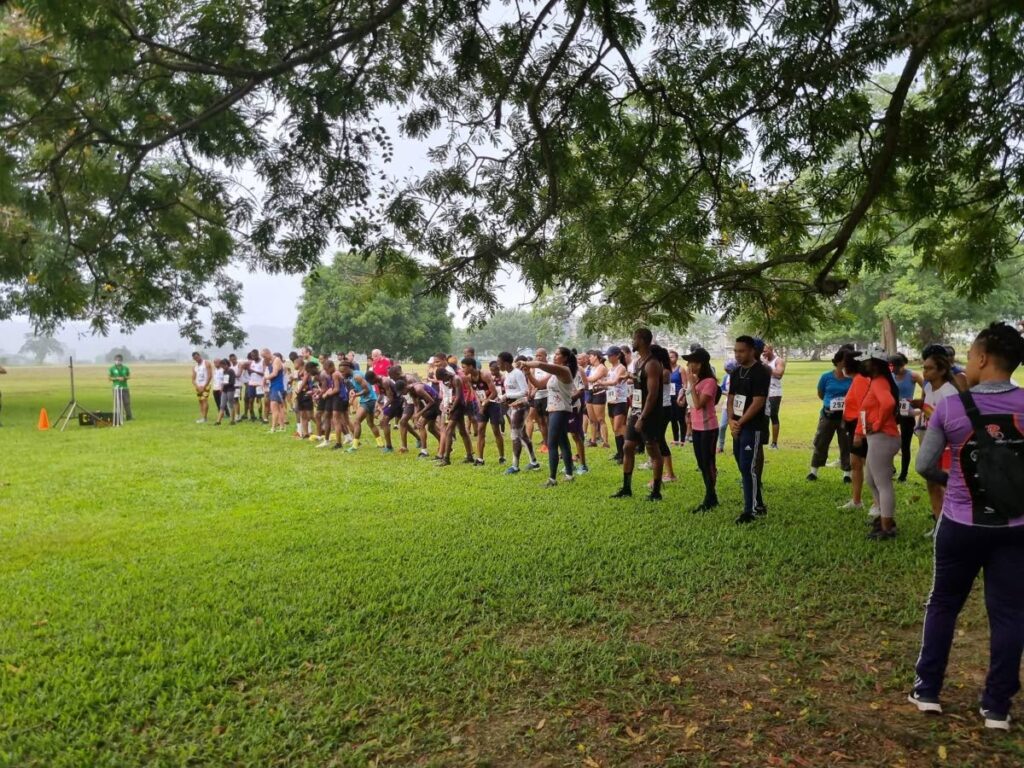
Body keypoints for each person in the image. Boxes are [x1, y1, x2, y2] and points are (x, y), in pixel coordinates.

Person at [909, 322, 1024, 730]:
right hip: (1015, 527)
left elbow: (924, 465)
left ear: (981, 358)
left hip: (960, 523)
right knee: (1010, 613)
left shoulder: (951, 407)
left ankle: (927, 691)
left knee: (943, 604)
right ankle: (996, 707)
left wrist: (956, 483)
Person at [611, 329, 666, 501]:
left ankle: (656, 492)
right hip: (635, 410)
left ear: (642, 340)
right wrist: (631, 376)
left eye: (634, 338)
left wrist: (642, 418)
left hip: (648, 414)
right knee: (628, 447)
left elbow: (652, 394)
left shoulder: (652, 364)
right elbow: (639, 383)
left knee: (653, 450)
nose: (632, 341)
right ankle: (626, 488)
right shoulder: (639, 362)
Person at [914, 351, 964, 536]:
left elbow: (952, 419)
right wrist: (920, 406)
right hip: (930, 438)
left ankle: (951, 524)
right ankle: (938, 522)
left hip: (947, 443)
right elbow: (929, 412)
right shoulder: (928, 389)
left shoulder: (949, 391)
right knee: (931, 482)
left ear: (942, 370)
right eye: (924, 368)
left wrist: (928, 411)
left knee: (944, 483)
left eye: (929, 368)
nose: (925, 372)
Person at [855, 347, 901, 540]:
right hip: (878, 438)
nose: (862, 365)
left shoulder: (879, 382)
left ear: (874, 364)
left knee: (882, 483)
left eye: (865, 362)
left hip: (884, 437)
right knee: (871, 481)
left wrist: (877, 423)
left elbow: (888, 403)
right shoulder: (876, 381)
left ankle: (886, 526)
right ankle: (885, 517)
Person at [727, 336, 770, 523]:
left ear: (752, 351)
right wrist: (731, 420)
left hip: (752, 426)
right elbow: (731, 397)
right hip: (737, 426)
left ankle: (750, 510)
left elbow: (758, 402)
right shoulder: (736, 372)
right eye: (735, 351)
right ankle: (758, 503)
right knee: (742, 465)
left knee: (748, 467)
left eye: (741, 351)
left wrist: (741, 422)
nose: (738, 354)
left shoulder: (761, 371)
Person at [521, 347, 578, 487]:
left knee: (552, 444)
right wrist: (528, 374)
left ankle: (552, 479)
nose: (555, 355)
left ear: (565, 358)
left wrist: (527, 362)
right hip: (554, 409)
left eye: (558, 354)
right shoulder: (555, 373)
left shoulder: (564, 370)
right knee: (563, 442)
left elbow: (541, 365)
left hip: (560, 409)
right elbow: (540, 385)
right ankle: (570, 475)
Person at [807, 349, 853, 483]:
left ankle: (847, 474)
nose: (846, 364)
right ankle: (813, 472)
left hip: (846, 416)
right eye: (845, 361)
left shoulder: (852, 379)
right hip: (827, 415)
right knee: (821, 442)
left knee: (846, 444)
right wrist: (830, 403)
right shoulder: (826, 377)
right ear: (838, 362)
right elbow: (820, 393)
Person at [684, 347, 720, 512]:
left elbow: (699, 404)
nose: (691, 365)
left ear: (702, 364)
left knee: (708, 462)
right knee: (701, 462)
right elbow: (688, 403)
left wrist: (691, 384)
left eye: (695, 362)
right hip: (697, 428)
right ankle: (710, 495)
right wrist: (689, 386)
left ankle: (710, 496)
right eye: (690, 362)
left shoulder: (710, 382)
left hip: (708, 428)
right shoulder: (696, 381)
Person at [839, 352, 871, 511]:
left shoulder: (860, 381)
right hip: (854, 427)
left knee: (868, 466)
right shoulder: (856, 380)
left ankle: (878, 504)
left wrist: (860, 432)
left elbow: (863, 409)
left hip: (860, 428)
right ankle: (856, 501)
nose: (842, 367)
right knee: (855, 463)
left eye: (845, 363)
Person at [499, 352, 540, 474]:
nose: (498, 365)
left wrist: (507, 395)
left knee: (515, 436)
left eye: (499, 362)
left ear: (506, 363)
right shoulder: (508, 374)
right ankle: (534, 462)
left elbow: (525, 391)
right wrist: (506, 398)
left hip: (521, 407)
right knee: (523, 435)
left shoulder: (517, 373)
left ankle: (515, 466)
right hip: (513, 406)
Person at [891, 353, 924, 482]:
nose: (894, 370)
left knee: (905, 444)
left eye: (896, 367)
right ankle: (891, 469)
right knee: (888, 441)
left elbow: (926, 387)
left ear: (903, 365)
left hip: (907, 413)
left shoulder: (913, 375)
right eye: (892, 367)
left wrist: (921, 402)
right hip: (892, 412)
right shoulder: (890, 375)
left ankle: (903, 475)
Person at [434, 366, 474, 466]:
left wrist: (452, 409)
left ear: (446, 374)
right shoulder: (449, 379)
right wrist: (447, 405)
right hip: (455, 406)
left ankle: (446, 459)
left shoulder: (456, 379)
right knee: (463, 431)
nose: (443, 381)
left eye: (443, 379)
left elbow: (459, 396)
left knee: (448, 431)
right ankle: (470, 456)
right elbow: (453, 395)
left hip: (459, 407)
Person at [596, 346, 629, 464]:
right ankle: (620, 453)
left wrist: (601, 382)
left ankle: (626, 453)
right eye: (608, 356)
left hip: (620, 401)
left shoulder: (621, 368)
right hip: (611, 401)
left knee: (618, 427)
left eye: (610, 355)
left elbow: (614, 382)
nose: (608, 358)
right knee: (616, 430)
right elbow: (609, 385)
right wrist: (601, 386)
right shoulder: (611, 369)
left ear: (618, 355)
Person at [346, 363, 382, 451]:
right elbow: (360, 386)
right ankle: (380, 444)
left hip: (368, 400)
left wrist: (355, 395)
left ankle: (354, 446)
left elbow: (367, 389)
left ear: (348, 368)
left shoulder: (356, 376)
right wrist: (353, 391)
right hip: (371, 399)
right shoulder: (355, 375)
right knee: (370, 423)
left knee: (357, 421)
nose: (341, 373)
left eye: (343, 371)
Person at [763, 343, 785, 449]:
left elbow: (779, 374)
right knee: (763, 416)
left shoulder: (778, 360)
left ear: (771, 350)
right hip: (763, 392)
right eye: (762, 351)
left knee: (773, 416)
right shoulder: (763, 360)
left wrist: (766, 367)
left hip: (774, 392)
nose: (764, 353)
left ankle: (774, 443)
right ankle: (763, 440)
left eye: (765, 350)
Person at [585, 350, 609, 448]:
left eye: (590, 356)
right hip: (590, 392)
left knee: (600, 419)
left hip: (598, 393)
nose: (589, 358)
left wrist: (582, 376)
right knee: (592, 419)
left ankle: (605, 442)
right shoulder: (590, 368)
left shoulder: (601, 367)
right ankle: (593, 440)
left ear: (596, 356)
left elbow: (592, 379)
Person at [262, 349, 288, 433]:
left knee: (274, 408)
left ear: (268, 353)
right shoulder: (270, 361)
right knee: (279, 408)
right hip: (273, 386)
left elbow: (275, 373)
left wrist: (265, 378)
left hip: (277, 387)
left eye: (264, 356)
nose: (263, 358)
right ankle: (282, 427)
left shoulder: (276, 360)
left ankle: (273, 428)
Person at [717, 360, 737, 453]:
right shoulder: (726, 377)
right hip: (727, 405)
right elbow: (722, 389)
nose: (728, 372)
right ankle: (720, 446)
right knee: (722, 426)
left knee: (735, 427)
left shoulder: (740, 377)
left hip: (738, 406)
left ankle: (736, 447)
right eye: (726, 371)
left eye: (729, 370)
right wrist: (727, 393)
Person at [108, 354, 132, 421]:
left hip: (125, 387)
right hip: (116, 388)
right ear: (114, 360)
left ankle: (129, 417)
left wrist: (124, 378)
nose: (118, 361)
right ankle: (119, 417)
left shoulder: (125, 368)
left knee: (127, 403)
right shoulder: (111, 368)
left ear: (122, 361)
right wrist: (116, 378)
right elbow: (109, 378)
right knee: (118, 403)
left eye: (119, 360)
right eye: (117, 360)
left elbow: (129, 376)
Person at [191, 351, 213, 423]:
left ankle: (205, 418)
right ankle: (202, 417)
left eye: (197, 357)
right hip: (198, 386)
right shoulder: (195, 367)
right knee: (200, 401)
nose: (196, 359)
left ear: (199, 356)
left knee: (204, 400)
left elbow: (210, 376)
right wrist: (197, 386)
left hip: (205, 385)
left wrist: (204, 386)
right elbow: (193, 379)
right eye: (195, 358)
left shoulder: (206, 363)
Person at [214, 359, 237, 426]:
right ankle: (218, 421)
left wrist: (225, 384)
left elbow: (232, 382)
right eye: (221, 365)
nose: (222, 367)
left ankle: (232, 420)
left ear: (226, 364)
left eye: (223, 365)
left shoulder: (231, 371)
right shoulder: (224, 371)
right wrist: (223, 386)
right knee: (222, 405)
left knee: (231, 405)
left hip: (230, 390)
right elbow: (224, 380)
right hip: (224, 390)